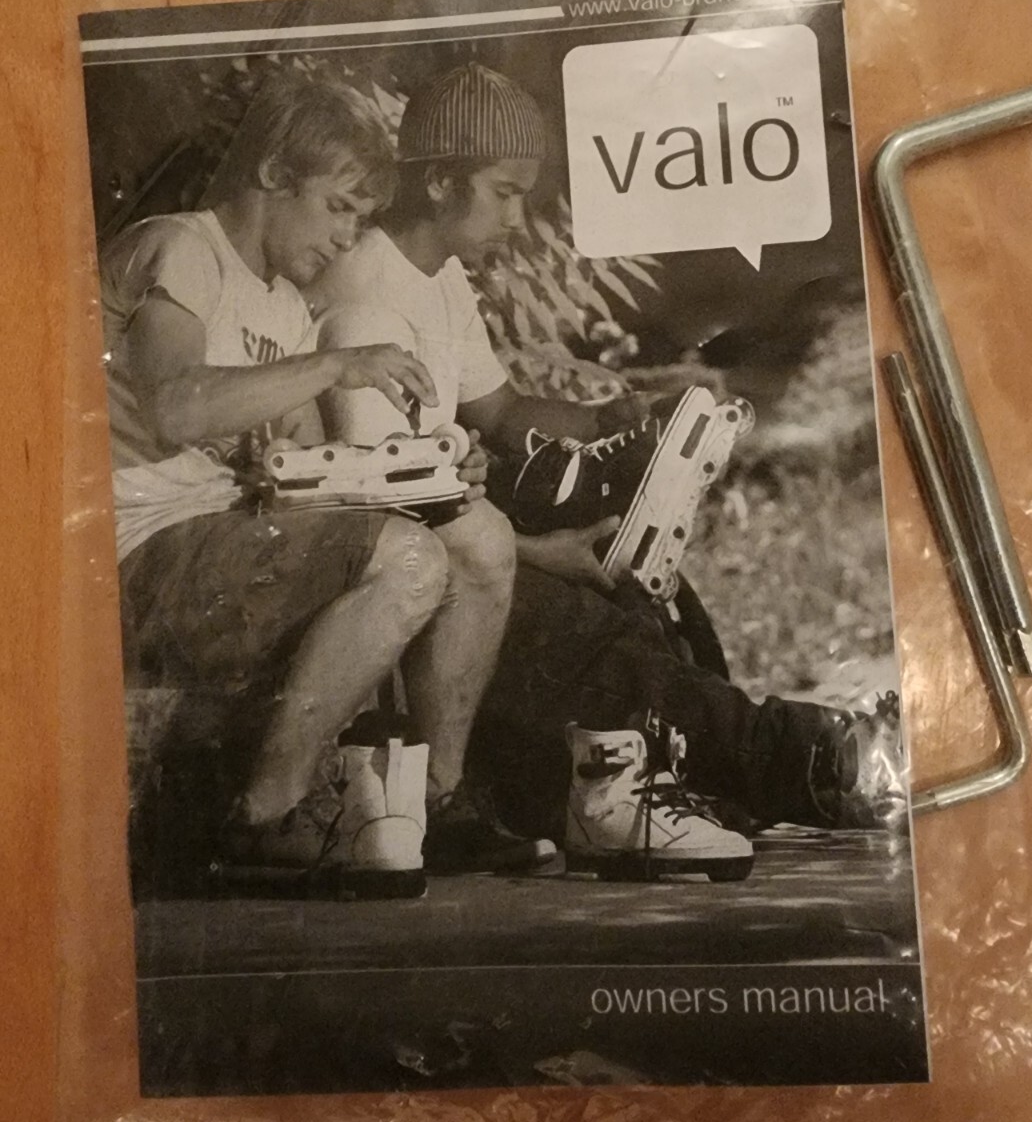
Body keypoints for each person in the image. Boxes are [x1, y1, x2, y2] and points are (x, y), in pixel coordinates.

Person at [308, 62, 899, 872]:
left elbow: (501, 411)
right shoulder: (364, 297)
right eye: (505, 192)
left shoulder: (437, 276)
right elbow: (383, 511)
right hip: (414, 557)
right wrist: (543, 554)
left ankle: (738, 774)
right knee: (581, 627)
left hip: (459, 532)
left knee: (642, 591)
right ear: (442, 181)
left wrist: (616, 418)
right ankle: (811, 758)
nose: (517, 217)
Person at [104, 68, 543, 896]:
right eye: (339, 208)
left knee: (450, 540)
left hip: (216, 545)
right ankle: (266, 814)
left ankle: (425, 799)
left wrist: (438, 470)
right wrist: (337, 365)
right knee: (406, 561)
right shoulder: (183, 249)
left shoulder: (280, 306)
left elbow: (314, 476)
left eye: (360, 219)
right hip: (131, 549)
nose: (346, 239)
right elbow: (175, 407)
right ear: (275, 174)